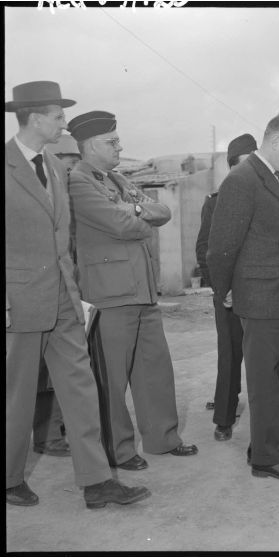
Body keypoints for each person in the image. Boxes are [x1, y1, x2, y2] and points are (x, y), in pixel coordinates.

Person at [5, 80, 150, 508]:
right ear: (34, 118)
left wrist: (74, 293)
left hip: (64, 299)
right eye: (57, 116)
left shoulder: (54, 167)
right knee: (17, 394)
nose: (64, 123)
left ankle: (97, 482)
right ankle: (11, 479)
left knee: (81, 390)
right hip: (21, 301)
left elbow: (61, 236)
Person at [68, 110, 198, 471]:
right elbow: (123, 225)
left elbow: (163, 211)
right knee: (110, 379)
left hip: (142, 290)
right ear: (91, 145)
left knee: (155, 370)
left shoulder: (117, 179)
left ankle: (163, 438)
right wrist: (137, 216)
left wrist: (134, 207)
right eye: (112, 142)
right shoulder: (78, 181)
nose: (119, 146)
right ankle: (119, 451)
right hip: (109, 294)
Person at [207, 111, 279, 481]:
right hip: (262, 298)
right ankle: (267, 460)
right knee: (266, 382)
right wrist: (227, 292)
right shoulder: (243, 179)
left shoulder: (278, 179)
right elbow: (221, 248)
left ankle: (271, 447)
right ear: (278, 141)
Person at [196, 133, 257, 441]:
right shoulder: (215, 203)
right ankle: (224, 417)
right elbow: (205, 251)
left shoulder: (265, 197)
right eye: (245, 165)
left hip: (261, 293)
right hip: (229, 294)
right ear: (233, 167)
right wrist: (223, 290)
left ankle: (266, 418)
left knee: (263, 358)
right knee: (230, 355)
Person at [33, 132, 83, 458]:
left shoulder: (66, 196)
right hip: (37, 294)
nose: (71, 173)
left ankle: (56, 430)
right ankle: (47, 436)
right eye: (68, 165)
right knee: (42, 373)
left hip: (69, 290)